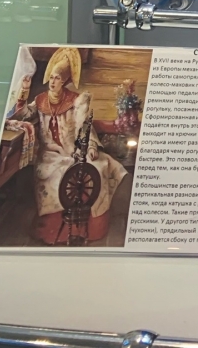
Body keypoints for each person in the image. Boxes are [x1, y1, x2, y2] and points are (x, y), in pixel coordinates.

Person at [10, 47, 128, 245]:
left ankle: (91, 230)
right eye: (51, 77)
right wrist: (23, 92)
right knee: (58, 176)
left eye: (57, 78)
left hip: (76, 150)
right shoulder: (40, 100)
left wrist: (91, 146)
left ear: (64, 81)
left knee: (98, 169)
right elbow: (22, 116)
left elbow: (84, 126)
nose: (53, 82)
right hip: (50, 155)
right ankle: (53, 231)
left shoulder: (77, 100)